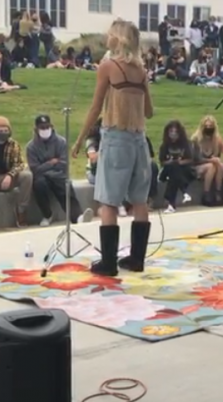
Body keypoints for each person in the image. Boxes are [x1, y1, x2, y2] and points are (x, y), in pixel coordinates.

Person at [72, 19, 154, 276]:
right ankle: (137, 259)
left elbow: (96, 107)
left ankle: (108, 263)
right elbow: (149, 111)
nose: (106, 37)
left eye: (110, 34)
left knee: (108, 200)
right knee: (139, 200)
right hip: (139, 139)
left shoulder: (108, 66)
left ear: (117, 39)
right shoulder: (141, 70)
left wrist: (79, 139)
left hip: (116, 137)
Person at [27, 115, 91, 226]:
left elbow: (63, 164)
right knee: (39, 185)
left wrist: (45, 166)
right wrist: (51, 163)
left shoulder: (61, 142)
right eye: (42, 127)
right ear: (36, 129)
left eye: (47, 127)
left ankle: (78, 217)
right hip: (42, 178)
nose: (45, 130)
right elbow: (35, 169)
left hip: (58, 175)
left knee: (65, 186)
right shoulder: (31, 147)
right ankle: (47, 215)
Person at [157, 121, 195, 213]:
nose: (173, 134)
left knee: (174, 174)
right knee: (173, 167)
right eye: (171, 131)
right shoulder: (164, 145)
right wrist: (170, 162)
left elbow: (190, 159)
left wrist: (180, 162)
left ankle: (171, 204)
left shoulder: (185, 144)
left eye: (175, 132)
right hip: (168, 170)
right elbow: (162, 162)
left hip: (183, 170)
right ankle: (184, 192)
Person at [190, 115, 223, 206]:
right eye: (206, 126)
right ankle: (206, 193)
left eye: (210, 127)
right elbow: (195, 159)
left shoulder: (217, 141)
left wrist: (214, 160)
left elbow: (218, 156)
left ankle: (218, 192)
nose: (208, 128)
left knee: (219, 165)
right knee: (211, 166)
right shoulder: (196, 140)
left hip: (212, 165)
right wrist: (210, 160)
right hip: (196, 166)